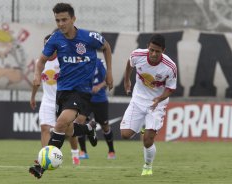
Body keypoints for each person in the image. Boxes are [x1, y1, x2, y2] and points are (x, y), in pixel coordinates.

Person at [29, 3, 113, 179]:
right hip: (63, 92)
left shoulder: (89, 36)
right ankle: (88, 129)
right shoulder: (55, 39)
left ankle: (41, 168)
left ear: (73, 19)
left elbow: (106, 47)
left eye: (64, 19)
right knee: (67, 131)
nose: (61, 23)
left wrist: (109, 74)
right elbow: (42, 60)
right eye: (57, 20)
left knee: (59, 124)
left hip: (81, 91)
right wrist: (37, 74)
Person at [120, 34, 177, 176]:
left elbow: (171, 88)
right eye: (151, 50)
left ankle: (147, 166)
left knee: (147, 140)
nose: (153, 54)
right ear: (148, 47)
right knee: (125, 134)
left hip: (157, 103)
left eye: (157, 51)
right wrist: (127, 80)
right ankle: (144, 126)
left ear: (163, 51)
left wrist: (160, 98)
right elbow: (129, 64)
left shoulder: (170, 67)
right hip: (138, 100)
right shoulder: (137, 55)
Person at [30, 34, 80, 166]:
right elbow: (36, 82)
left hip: (64, 100)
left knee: (69, 131)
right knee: (45, 128)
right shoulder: (39, 62)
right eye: (47, 45)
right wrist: (33, 97)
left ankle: (75, 153)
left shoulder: (63, 60)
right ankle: (45, 159)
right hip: (47, 100)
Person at [78, 58, 116, 160]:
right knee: (80, 123)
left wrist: (99, 86)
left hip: (100, 100)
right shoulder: (79, 61)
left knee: (105, 126)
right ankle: (83, 151)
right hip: (85, 99)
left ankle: (111, 151)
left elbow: (107, 80)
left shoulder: (100, 62)